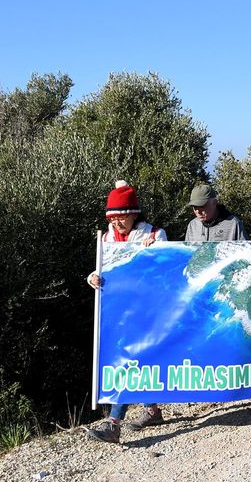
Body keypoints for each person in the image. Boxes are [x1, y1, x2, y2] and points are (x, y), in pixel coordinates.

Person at [86, 181, 167, 443]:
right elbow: (101, 271)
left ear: (134, 214)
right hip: (120, 314)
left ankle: (114, 422)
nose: (118, 222)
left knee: (136, 359)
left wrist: (151, 252)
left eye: (123, 217)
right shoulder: (106, 239)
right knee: (128, 360)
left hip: (149, 312)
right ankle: (149, 411)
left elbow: (165, 270)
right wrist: (93, 277)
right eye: (114, 217)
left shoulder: (154, 234)